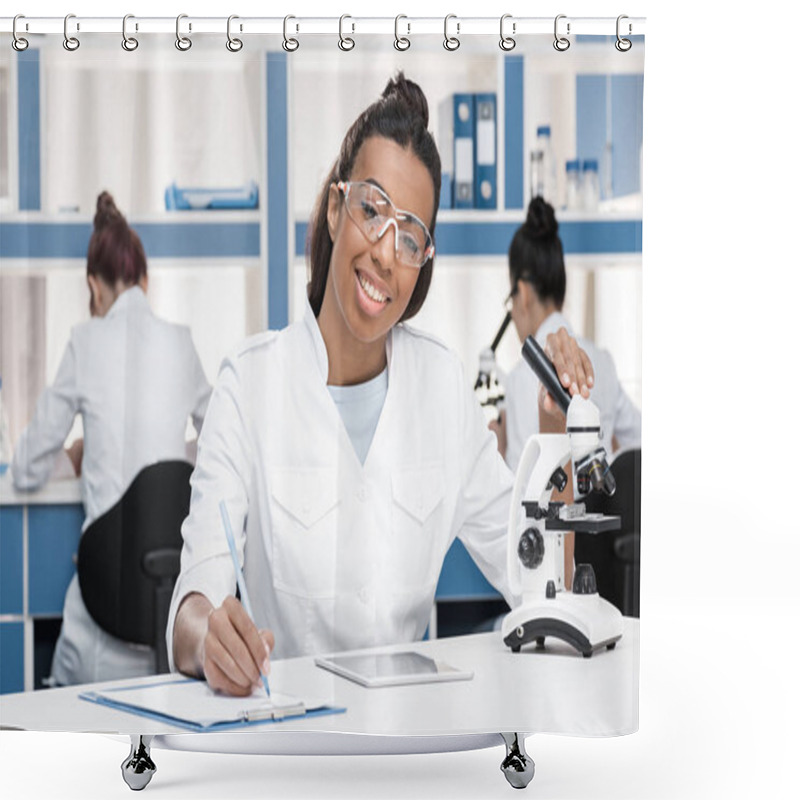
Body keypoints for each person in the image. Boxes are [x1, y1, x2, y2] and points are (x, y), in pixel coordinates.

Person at [168, 74, 594, 698]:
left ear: (423, 261)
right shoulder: (250, 384)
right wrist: (210, 638)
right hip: (285, 746)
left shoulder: (441, 387)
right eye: (372, 209)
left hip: (406, 746)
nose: (386, 252)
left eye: (411, 234)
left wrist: (556, 440)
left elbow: (537, 581)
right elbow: (190, 607)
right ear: (337, 209)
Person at [12, 191, 212, 686]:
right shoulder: (180, 341)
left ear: (93, 288)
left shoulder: (84, 341)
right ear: (145, 280)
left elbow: (26, 467)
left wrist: (79, 454)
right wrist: (172, 454)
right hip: (165, 623)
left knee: (60, 719)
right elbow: (220, 446)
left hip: (96, 632)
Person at [492, 196, 642, 474]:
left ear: (522, 293)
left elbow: (519, 490)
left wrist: (497, 450)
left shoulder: (519, 379)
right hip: (603, 514)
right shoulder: (603, 363)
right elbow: (638, 442)